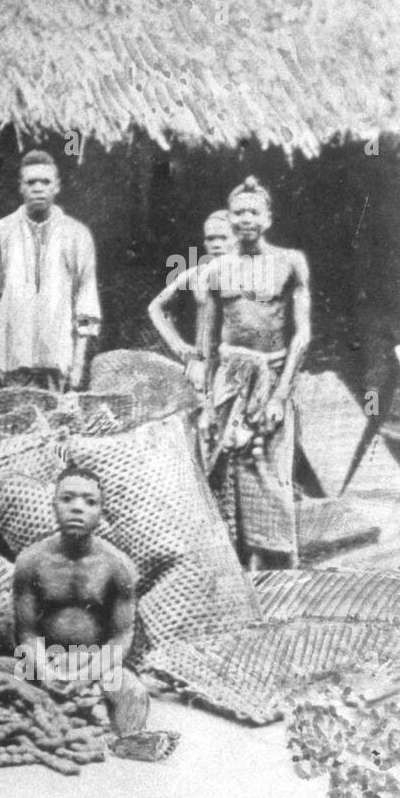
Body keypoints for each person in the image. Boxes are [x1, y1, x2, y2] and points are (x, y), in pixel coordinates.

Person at [195, 177, 311, 569]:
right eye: (238, 212)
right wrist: (209, 405)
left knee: (272, 474)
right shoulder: (215, 271)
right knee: (227, 474)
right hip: (229, 381)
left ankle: (281, 566)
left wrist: (279, 395)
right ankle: (243, 569)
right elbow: (208, 344)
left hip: (272, 378)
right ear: (229, 219)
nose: (245, 219)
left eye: (253, 211)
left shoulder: (290, 263)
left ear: (268, 218)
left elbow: (302, 335)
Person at [12, 466, 147, 735]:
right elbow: (26, 630)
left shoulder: (117, 566)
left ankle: (119, 740)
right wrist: (46, 673)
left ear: (101, 511)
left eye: (89, 501)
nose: (77, 508)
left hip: (95, 661)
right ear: (53, 505)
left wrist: (87, 675)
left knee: (135, 694)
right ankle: (69, 713)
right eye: (67, 499)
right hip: (43, 660)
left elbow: (122, 636)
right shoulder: (31, 561)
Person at [0, 150, 101, 392]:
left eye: (46, 182)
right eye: (31, 182)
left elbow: (86, 303)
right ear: (20, 187)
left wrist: (78, 367)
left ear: (57, 187)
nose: (38, 188)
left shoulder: (77, 235)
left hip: (58, 363)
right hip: (12, 363)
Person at [146, 210, 234, 390]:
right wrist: (178, 346)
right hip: (203, 367)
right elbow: (155, 307)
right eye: (211, 239)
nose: (216, 244)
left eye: (223, 238)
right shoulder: (195, 274)